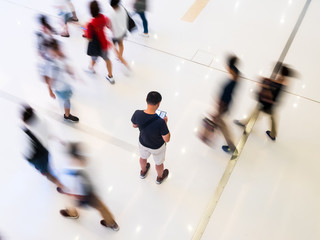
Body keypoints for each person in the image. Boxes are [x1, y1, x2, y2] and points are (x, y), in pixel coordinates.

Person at [57, 143, 119, 231]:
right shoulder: (86, 161)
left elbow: (70, 185)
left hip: (80, 195)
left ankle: (73, 214)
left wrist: (66, 190)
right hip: (91, 191)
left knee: (70, 201)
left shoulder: (71, 169)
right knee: (101, 207)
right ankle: (111, 223)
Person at [234, 65, 292, 141]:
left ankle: (244, 123)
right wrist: (265, 79)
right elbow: (275, 83)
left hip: (266, 102)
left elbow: (273, 87)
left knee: (256, 112)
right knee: (272, 118)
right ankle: (273, 134)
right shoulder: (285, 80)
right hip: (272, 103)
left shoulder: (281, 81)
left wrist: (263, 84)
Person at [202, 55, 240, 154]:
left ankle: (231, 147)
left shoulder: (228, 85)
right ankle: (230, 144)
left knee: (222, 125)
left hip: (222, 107)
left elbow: (223, 100)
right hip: (226, 106)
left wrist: (218, 109)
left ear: (230, 68)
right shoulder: (237, 76)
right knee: (222, 124)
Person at [131, 91, 170, 184]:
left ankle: (143, 172)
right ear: (159, 103)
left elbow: (134, 125)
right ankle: (160, 177)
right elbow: (166, 139)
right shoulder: (161, 121)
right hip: (157, 147)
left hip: (143, 143)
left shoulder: (137, 113)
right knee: (159, 163)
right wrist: (165, 123)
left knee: (143, 158)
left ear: (146, 100)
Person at [20, 105, 64, 188]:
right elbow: (50, 134)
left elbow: (28, 151)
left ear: (25, 120)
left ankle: (61, 185)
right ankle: (51, 171)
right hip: (45, 151)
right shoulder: (42, 121)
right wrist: (58, 140)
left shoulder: (28, 132)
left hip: (38, 157)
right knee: (47, 167)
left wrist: (27, 158)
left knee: (46, 172)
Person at [45, 39, 79, 122]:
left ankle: (66, 112)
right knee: (67, 100)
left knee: (65, 99)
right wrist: (50, 91)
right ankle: (67, 115)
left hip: (63, 84)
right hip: (61, 87)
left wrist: (71, 73)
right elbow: (51, 79)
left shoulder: (58, 59)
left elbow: (64, 67)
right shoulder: (53, 64)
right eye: (58, 49)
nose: (61, 50)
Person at [84, 0, 115, 84]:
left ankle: (91, 69)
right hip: (104, 44)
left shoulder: (90, 24)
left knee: (93, 59)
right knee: (107, 60)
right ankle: (110, 76)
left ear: (90, 11)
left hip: (95, 47)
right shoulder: (104, 18)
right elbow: (109, 26)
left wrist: (85, 32)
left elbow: (89, 38)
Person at [109, 0, 130, 70]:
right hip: (123, 31)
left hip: (116, 34)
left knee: (113, 45)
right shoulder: (122, 9)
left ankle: (120, 58)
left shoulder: (112, 15)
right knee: (121, 44)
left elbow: (111, 26)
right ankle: (120, 56)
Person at [36, 15, 56, 83]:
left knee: (49, 69)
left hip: (48, 54)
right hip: (50, 53)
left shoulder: (42, 31)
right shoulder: (48, 28)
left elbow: (40, 46)